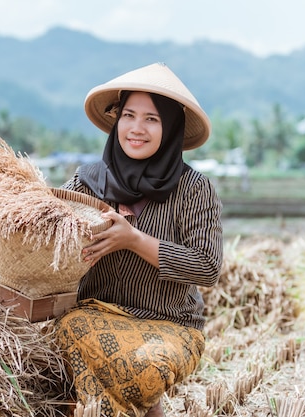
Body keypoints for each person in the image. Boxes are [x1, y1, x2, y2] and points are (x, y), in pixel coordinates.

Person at [54, 62, 223, 417]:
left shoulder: (194, 189)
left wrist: (133, 239)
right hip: (94, 316)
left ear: (171, 128)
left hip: (169, 325)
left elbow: (207, 268)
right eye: (129, 115)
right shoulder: (86, 183)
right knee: (69, 330)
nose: (136, 128)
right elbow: (50, 235)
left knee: (141, 370)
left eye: (152, 119)